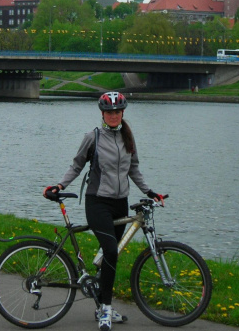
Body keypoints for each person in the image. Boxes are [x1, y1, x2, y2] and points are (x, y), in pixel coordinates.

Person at [43, 91, 164, 331]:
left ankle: (99, 304)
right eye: (109, 112)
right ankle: (106, 311)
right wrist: (59, 185)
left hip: (120, 202)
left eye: (117, 111)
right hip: (97, 202)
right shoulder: (93, 137)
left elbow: (134, 168)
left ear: (122, 113)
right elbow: (77, 165)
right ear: (102, 113)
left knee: (108, 256)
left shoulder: (128, 138)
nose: (113, 115)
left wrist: (150, 191)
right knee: (111, 251)